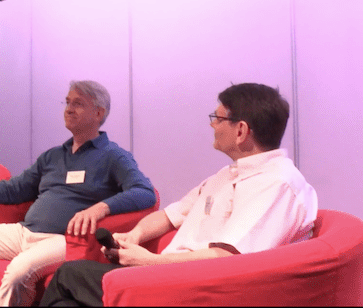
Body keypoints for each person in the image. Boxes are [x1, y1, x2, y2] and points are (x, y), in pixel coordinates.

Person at [40, 83, 318, 306]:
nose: (212, 125)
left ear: (241, 130)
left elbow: (226, 258)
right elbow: (168, 216)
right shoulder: (226, 175)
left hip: (192, 289)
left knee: (68, 275)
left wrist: (149, 261)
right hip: (168, 276)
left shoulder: (277, 184)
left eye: (217, 118)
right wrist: (133, 238)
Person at [0, 80, 156, 306]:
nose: (68, 109)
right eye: (67, 102)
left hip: (64, 240)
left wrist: (100, 208)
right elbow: (14, 188)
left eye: (77, 103)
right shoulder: (53, 156)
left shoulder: (113, 156)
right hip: (24, 232)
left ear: (98, 112)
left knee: (18, 271)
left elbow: (145, 192)